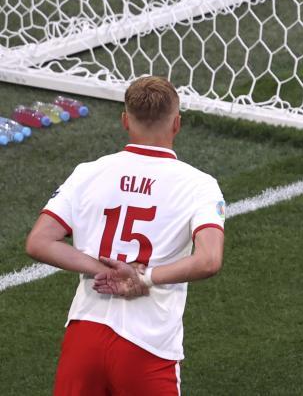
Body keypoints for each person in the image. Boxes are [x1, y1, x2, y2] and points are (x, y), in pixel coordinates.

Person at [25, 76, 226, 395]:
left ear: (125, 121)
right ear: (177, 123)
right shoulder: (199, 185)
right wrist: (143, 278)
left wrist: (103, 270)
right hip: (148, 345)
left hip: (84, 337)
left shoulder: (88, 173)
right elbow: (209, 260)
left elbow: (39, 241)